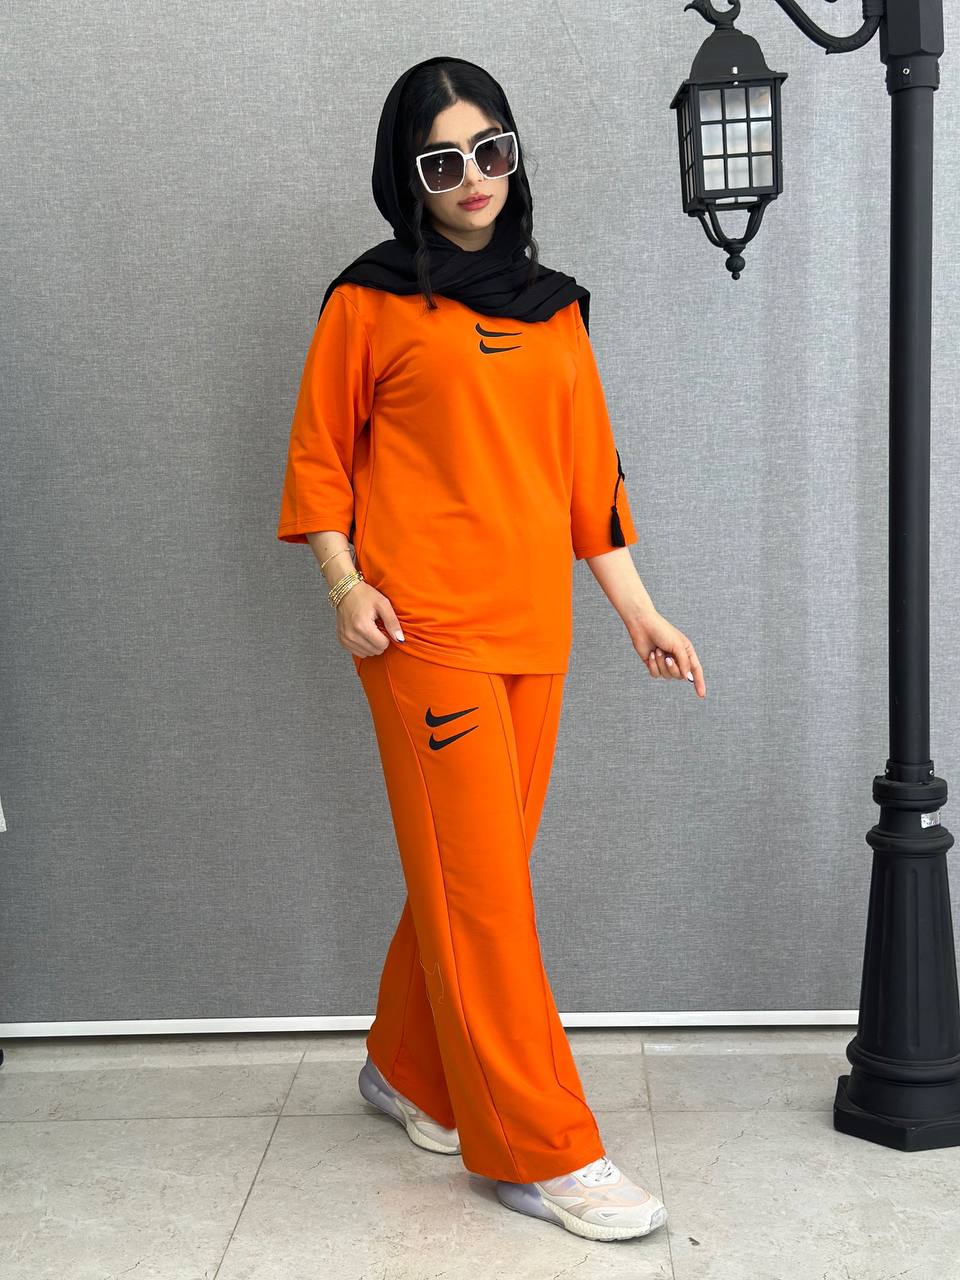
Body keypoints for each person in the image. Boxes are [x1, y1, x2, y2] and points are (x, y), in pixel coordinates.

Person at [277, 54, 706, 1245]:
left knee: (478, 877)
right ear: (405, 176)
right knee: (487, 902)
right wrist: (344, 584)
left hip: (535, 633)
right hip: (421, 631)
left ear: (515, 155)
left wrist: (639, 610)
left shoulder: (556, 306)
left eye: (491, 150)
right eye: (442, 161)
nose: (472, 177)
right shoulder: (367, 301)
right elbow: (318, 457)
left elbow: (589, 479)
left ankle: (405, 1065)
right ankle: (539, 1146)